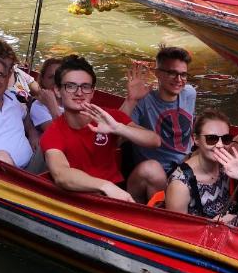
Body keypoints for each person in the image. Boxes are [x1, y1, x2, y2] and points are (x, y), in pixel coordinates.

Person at [41, 55, 161, 203]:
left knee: (153, 168)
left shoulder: (107, 117)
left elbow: (155, 140)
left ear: (92, 92)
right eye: (70, 86)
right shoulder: (53, 132)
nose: (79, 93)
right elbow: (62, 175)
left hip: (119, 190)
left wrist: (118, 128)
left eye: (85, 87)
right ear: (58, 90)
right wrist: (105, 186)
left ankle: (150, 218)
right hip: (82, 194)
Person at [165, 108, 238, 236]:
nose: (220, 145)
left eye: (225, 139)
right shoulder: (180, 185)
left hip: (229, 220)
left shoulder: (227, 163)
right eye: (211, 139)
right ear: (196, 139)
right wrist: (212, 224)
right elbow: (175, 234)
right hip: (204, 237)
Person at [122, 47, 196, 202]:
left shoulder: (189, 93)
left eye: (183, 74)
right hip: (155, 173)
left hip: (184, 166)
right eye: (172, 73)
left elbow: (188, 128)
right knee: (152, 170)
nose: (179, 79)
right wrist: (131, 100)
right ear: (157, 74)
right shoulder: (143, 101)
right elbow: (115, 136)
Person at [29, 57, 63, 133]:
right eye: (51, 77)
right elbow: (58, 134)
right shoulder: (38, 106)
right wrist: (52, 105)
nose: (56, 81)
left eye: (60, 77)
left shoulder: (70, 100)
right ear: (43, 80)